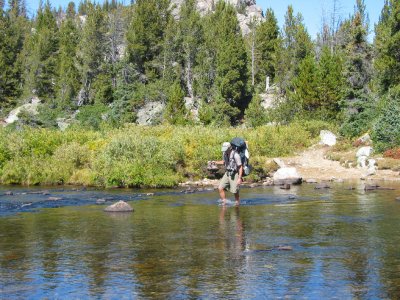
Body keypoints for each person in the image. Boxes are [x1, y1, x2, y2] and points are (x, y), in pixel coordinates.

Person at [214, 142, 243, 206]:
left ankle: (237, 203)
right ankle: (224, 202)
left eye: (226, 149)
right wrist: (215, 162)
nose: (224, 150)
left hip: (234, 173)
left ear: (229, 148)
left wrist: (239, 178)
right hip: (227, 173)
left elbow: (240, 167)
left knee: (235, 191)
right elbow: (224, 162)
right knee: (220, 188)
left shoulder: (236, 155)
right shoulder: (224, 153)